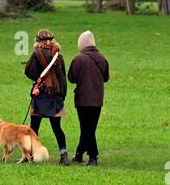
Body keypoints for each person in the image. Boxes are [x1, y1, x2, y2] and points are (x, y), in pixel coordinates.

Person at [23, 29, 69, 165]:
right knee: (57, 128)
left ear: (38, 41)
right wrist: (62, 96)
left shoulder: (36, 53)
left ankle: (30, 155)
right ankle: (63, 154)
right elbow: (63, 78)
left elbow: (29, 72)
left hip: (40, 97)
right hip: (55, 97)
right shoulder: (58, 55)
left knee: (34, 128)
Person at [67, 30, 110, 166]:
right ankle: (79, 154)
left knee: (87, 128)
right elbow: (106, 77)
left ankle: (93, 156)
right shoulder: (102, 59)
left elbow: (72, 78)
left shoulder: (78, 59)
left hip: (83, 99)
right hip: (97, 99)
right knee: (89, 128)